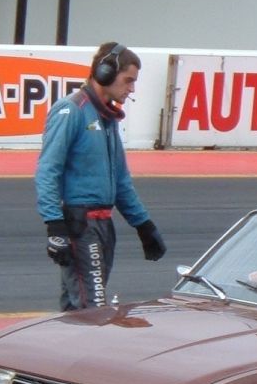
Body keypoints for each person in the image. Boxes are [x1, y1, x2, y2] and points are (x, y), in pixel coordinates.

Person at [35, 41, 166, 311]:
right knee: (92, 309)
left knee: (77, 308)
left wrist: (144, 226)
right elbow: (48, 170)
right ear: (104, 73)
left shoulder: (107, 119)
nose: (131, 89)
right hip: (81, 226)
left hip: (103, 226)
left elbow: (120, 181)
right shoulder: (70, 111)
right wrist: (55, 226)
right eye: (128, 80)